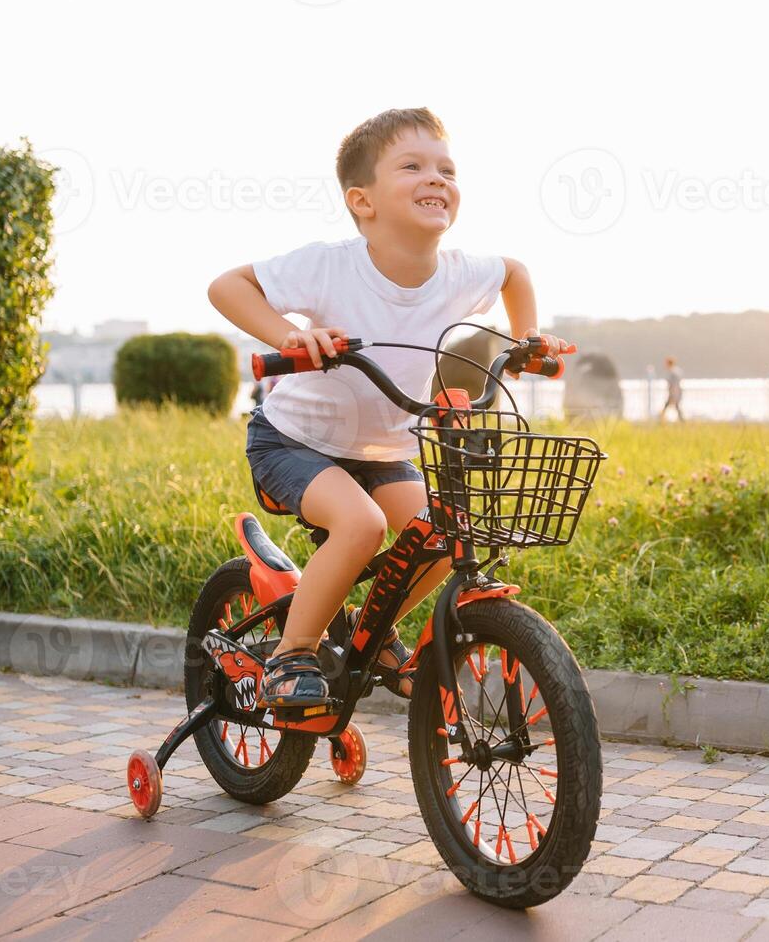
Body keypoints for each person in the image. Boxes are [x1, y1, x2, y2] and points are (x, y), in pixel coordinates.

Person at [208, 108, 567, 708]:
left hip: (385, 450)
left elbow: (515, 272)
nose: (436, 178)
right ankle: (291, 654)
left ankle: (371, 632)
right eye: (412, 166)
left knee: (445, 534)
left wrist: (527, 338)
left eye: (446, 169)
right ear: (363, 201)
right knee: (362, 525)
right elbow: (227, 286)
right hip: (294, 443)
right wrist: (287, 337)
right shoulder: (330, 264)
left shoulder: (457, 273)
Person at [658, 355, 684, 422]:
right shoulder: (676, 371)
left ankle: (661, 420)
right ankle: (661, 419)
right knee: (675, 407)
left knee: (672, 406)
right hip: (676, 392)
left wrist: (673, 393)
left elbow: (674, 384)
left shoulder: (673, 372)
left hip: (674, 392)